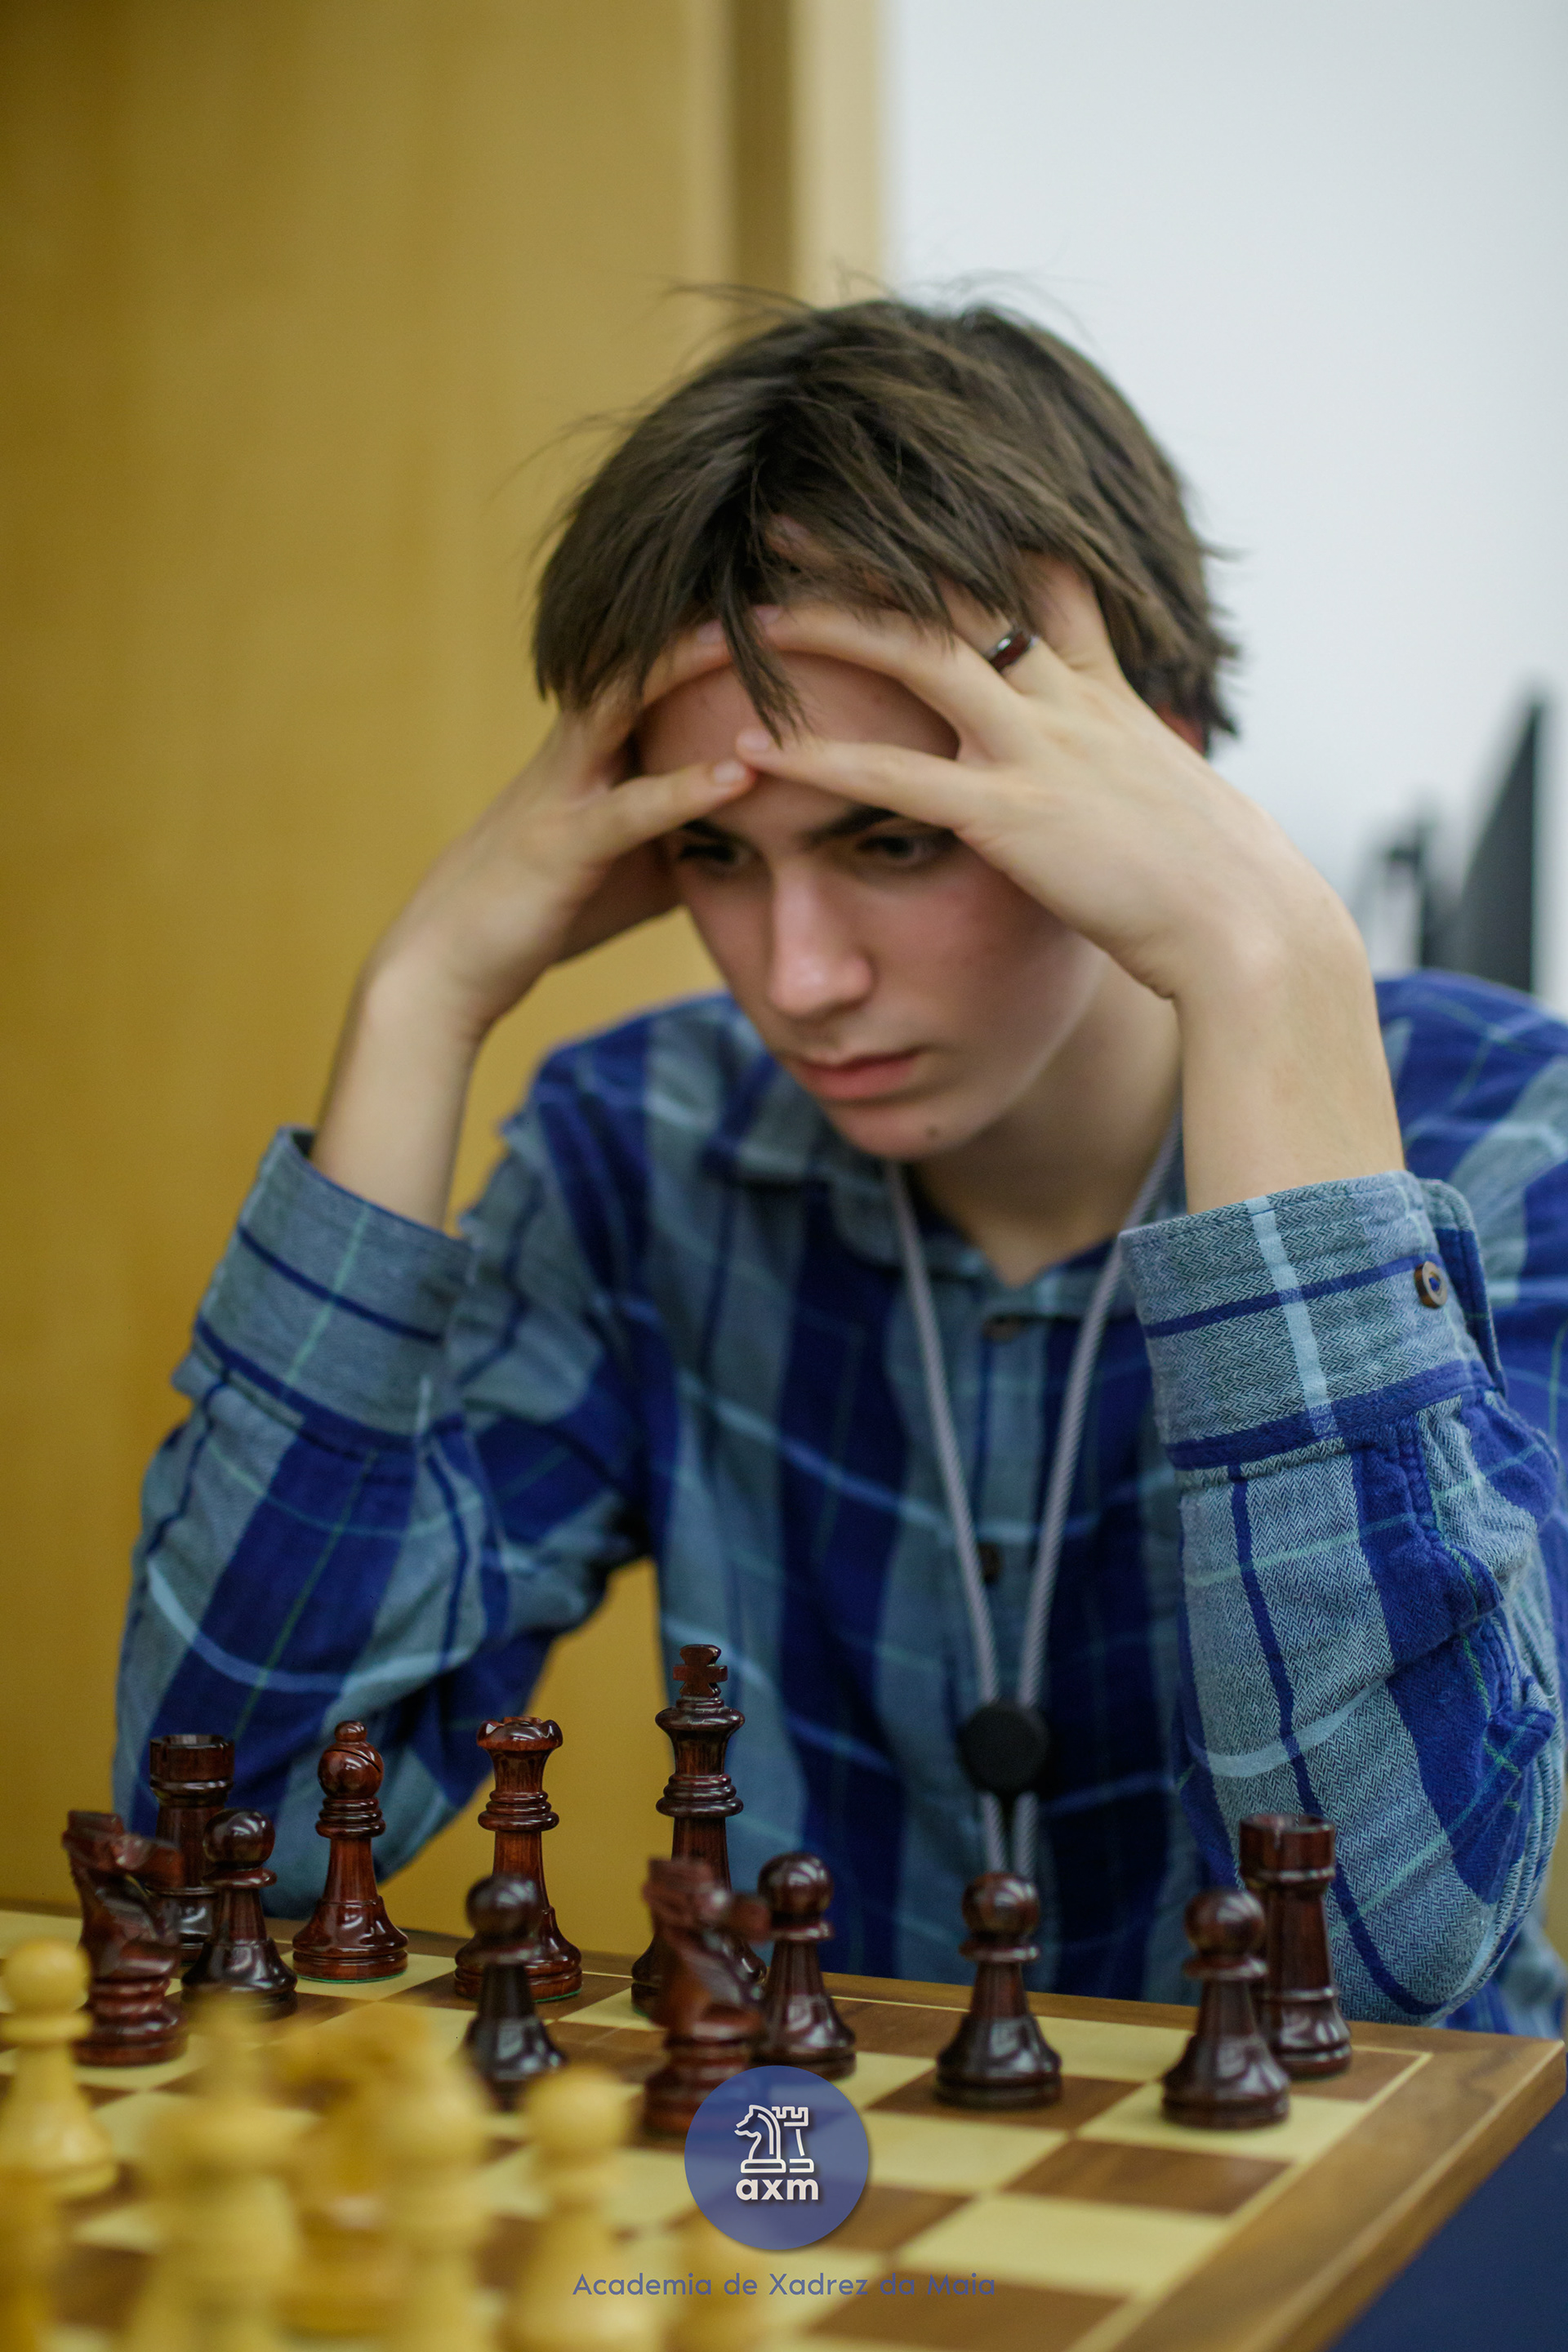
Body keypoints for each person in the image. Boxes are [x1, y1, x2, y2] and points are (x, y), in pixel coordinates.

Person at [114, 299, 1568, 2031]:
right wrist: (421, 997)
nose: (796, 977)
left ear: (1151, 761)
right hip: (822, 2174)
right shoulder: (639, 1154)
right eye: (717, 855)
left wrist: (1272, 968)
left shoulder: (1508, 1138)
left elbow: (1390, 1950)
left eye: (892, 838)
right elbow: (235, 1838)